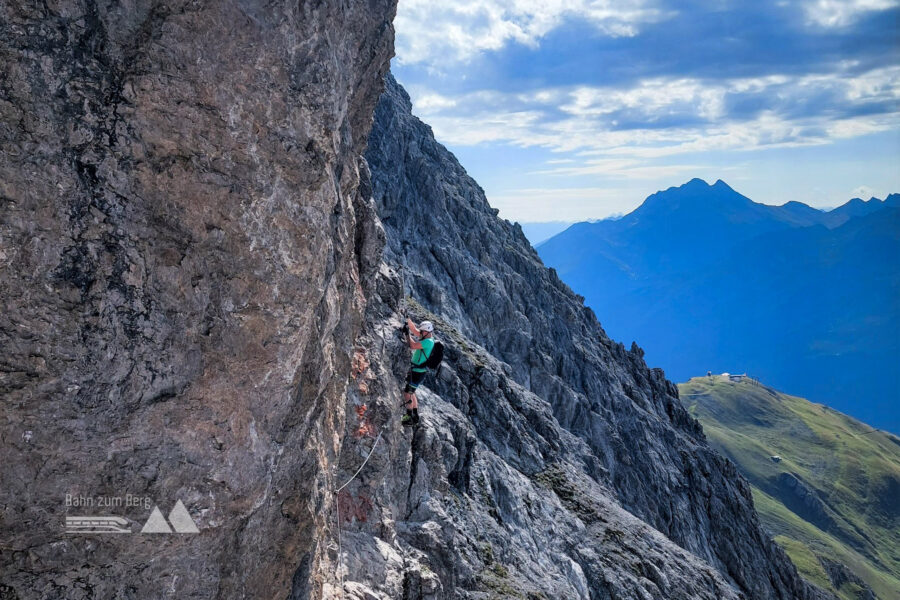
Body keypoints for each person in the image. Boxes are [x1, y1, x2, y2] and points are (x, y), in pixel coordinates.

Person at [401, 318, 434, 426]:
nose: (420, 333)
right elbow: (415, 330)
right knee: (412, 392)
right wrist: (408, 321)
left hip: (417, 372)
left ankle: (409, 416)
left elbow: (413, 345)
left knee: (408, 393)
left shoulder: (428, 342)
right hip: (418, 370)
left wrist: (407, 334)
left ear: (427, 332)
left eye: (422, 332)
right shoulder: (427, 337)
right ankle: (415, 415)